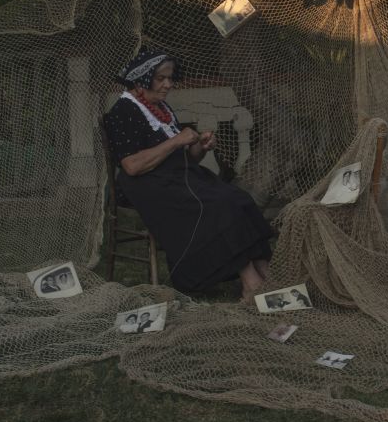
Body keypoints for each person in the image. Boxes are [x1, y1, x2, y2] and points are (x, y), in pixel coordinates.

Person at [104, 48, 274, 299]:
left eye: (170, 78)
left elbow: (185, 159)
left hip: (176, 177)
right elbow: (132, 166)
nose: (168, 84)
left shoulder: (161, 108)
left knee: (239, 199)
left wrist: (199, 147)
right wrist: (176, 141)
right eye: (161, 78)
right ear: (141, 81)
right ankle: (251, 283)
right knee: (218, 205)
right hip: (146, 184)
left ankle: (265, 272)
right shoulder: (123, 111)